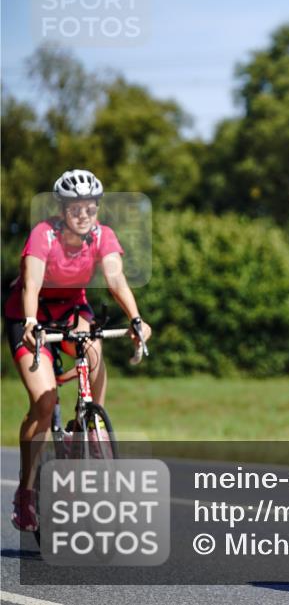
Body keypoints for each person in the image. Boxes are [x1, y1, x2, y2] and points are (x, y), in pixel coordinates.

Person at [5, 170, 152, 532]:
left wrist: (135, 319)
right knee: (43, 400)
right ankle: (25, 492)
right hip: (31, 315)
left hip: (72, 310)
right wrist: (27, 322)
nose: (83, 214)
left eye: (90, 207)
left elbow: (115, 277)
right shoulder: (44, 235)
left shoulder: (103, 236)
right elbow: (33, 283)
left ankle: (91, 419)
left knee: (93, 346)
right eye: (76, 208)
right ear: (62, 209)